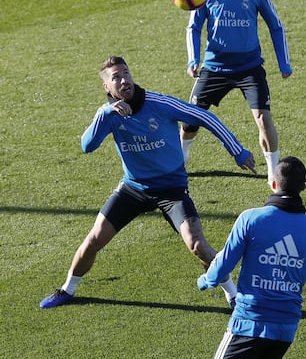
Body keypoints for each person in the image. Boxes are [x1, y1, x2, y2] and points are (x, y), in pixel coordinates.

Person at [40, 55, 257, 309]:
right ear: (107, 88)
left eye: (126, 73)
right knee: (94, 240)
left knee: (196, 244)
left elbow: (204, 117)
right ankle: (68, 289)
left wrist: (237, 151)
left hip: (172, 190)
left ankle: (232, 294)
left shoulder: (159, 104)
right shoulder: (109, 114)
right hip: (135, 188)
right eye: (116, 78)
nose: (124, 80)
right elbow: (87, 146)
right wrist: (106, 112)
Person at [197, 156, 306, 358]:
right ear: (304, 187)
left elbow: (221, 268)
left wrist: (205, 281)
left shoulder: (250, 219)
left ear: (273, 183)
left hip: (247, 325)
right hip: (284, 332)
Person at [180, 0, 292, 186]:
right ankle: (182, 158)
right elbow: (194, 27)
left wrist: (284, 63)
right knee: (191, 119)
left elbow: (276, 25)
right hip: (215, 67)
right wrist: (193, 60)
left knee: (263, 119)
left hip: (249, 68)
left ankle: (273, 172)